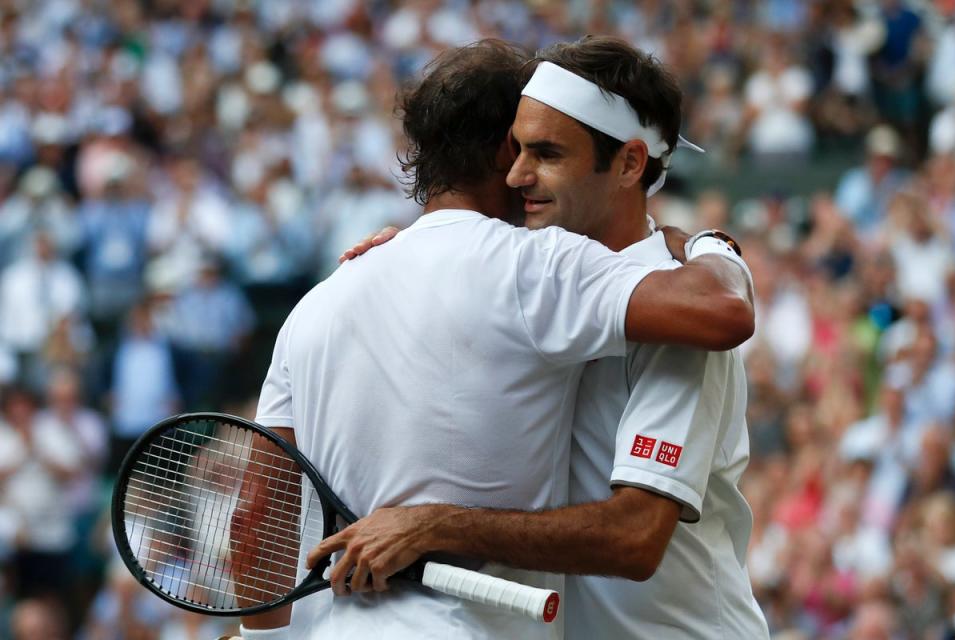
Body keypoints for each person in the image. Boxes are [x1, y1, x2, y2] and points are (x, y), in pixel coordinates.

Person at [242, 39, 753, 640]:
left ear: (629, 164)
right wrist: (413, 253)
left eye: (545, 152)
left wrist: (713, 246)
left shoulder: (670, 310)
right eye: (516, 149)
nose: (518, 175)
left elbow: (635, 538)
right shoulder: (527, 275)